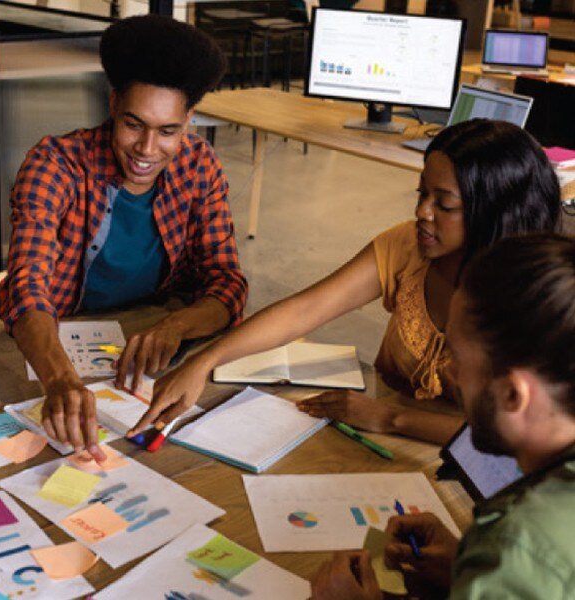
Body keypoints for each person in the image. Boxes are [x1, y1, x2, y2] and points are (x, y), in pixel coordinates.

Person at [128, 119, 560, 444]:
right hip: (372, 432)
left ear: (493, 213)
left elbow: (528, 442)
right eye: (420, 194)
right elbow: (305, 310)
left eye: (443, 204)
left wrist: (391, 420)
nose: (422, 212)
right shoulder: (409, 247)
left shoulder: (538, 303)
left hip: (456, 459)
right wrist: (204, 362)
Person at [0, 15, 248, 462]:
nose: (147, 150)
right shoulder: (55, 164)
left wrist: (175, 328)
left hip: (149, 349)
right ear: (113, 104)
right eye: (134, 125)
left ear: (189, 120)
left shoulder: (199, 165)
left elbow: (227, 283)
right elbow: (26, 286)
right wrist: (58, 378)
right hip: (59, 346)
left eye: (168, 130)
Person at [311, 234, 575, 599]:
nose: (447, 372)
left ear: (514, 394)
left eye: (458, 358)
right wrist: (464, 571)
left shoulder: (519, 550)